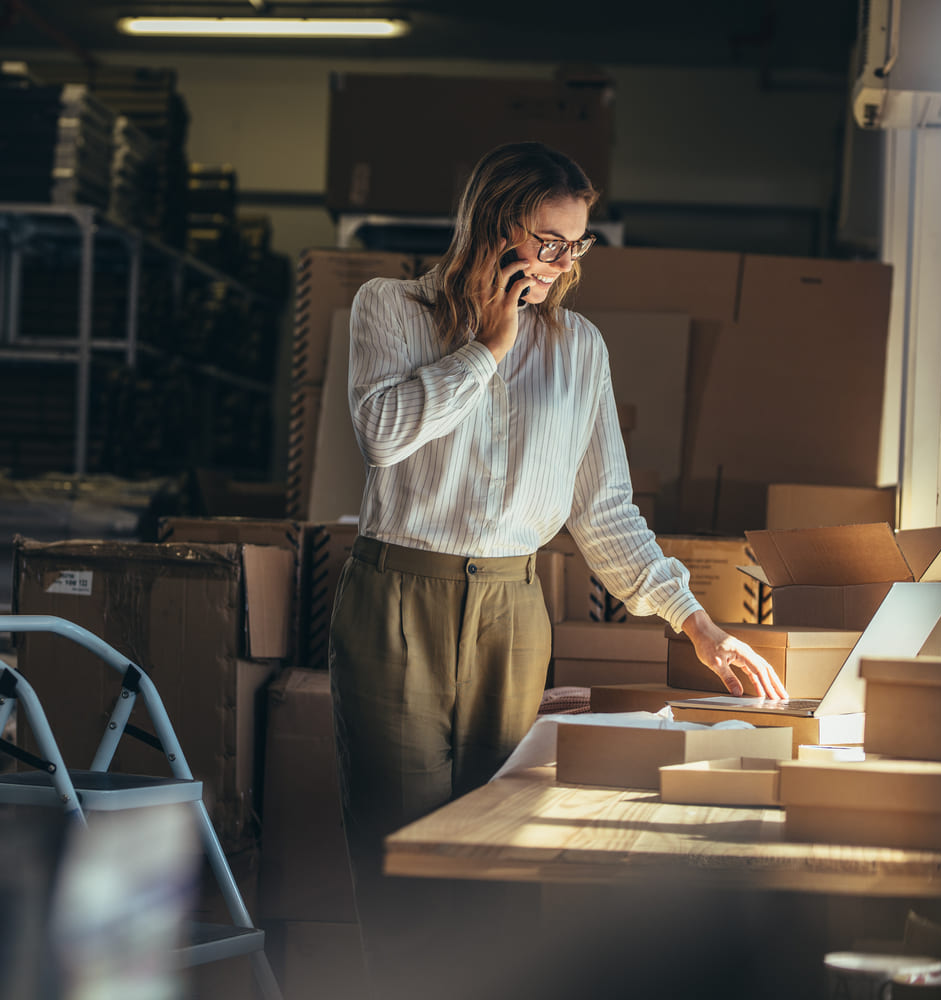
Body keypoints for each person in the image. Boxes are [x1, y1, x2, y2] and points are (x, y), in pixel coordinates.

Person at [326, 140, 788, 998]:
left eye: (577, 245)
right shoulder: (390, 306)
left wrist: (699, 622)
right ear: (495, 226)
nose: (564, 262)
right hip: (398, 598)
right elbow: (383, 437)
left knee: (501, 846)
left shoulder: (579, 348)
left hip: (512, 608)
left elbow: (604, 509)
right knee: (401, 846)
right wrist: (488, 348)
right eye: (549, 240)